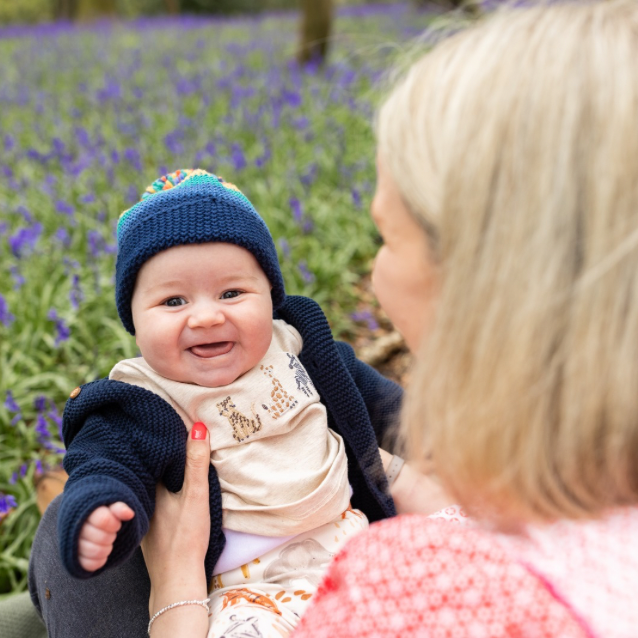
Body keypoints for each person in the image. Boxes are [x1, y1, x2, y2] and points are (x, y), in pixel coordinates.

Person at [137, 1, 638, 636]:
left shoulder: (406, 594)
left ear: (488, 287)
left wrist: (176, 583)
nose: (374, 270)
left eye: (386, 237)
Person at [28, 169, 447, 638]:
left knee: (440, 586)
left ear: (271, 296)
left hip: (357, 546)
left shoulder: (299, 349)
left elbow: (384, 404)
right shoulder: (142, 399)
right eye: (173, 301)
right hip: (252, 590)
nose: (207, 316)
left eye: (232, 293)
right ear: (134, 321)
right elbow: (106, 464)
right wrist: (99, 511)